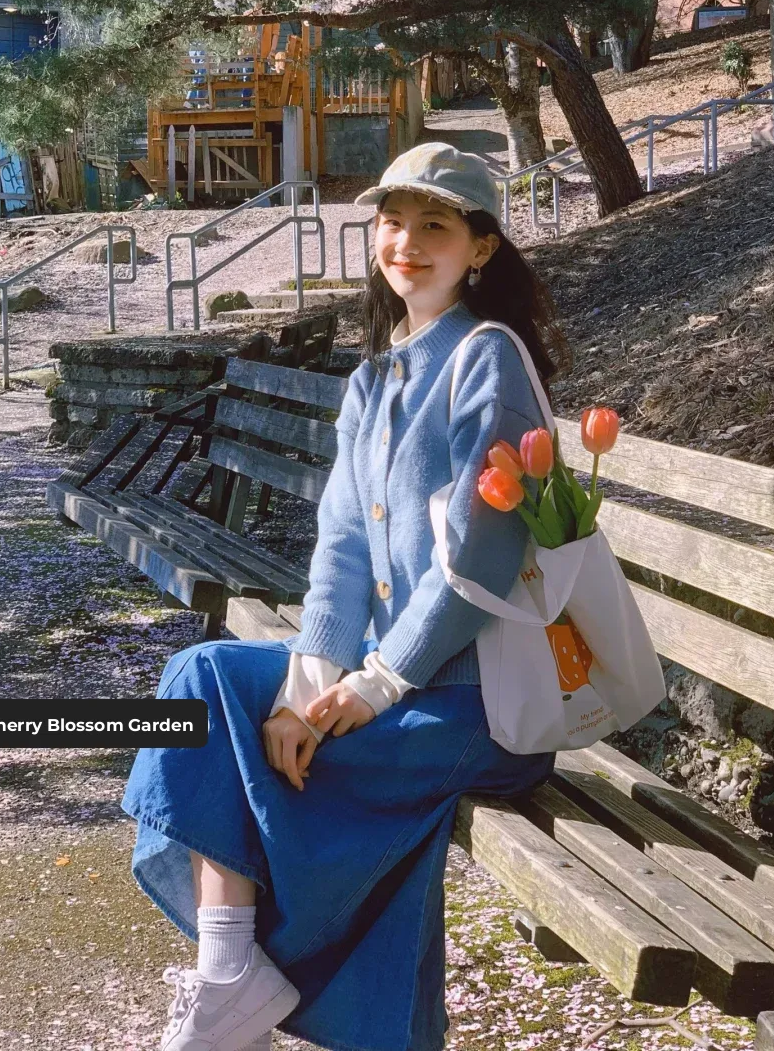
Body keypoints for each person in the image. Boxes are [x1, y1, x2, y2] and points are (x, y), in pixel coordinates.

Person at [122, 141, 573, 1051]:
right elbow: (340, 545)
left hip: (475, 705)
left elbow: (481, 563)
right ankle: (228, 975)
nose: (406, 242)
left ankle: (240, 984)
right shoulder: (373, 380)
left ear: (479, 247)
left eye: (434, 226)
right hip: (397, 689)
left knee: (250, 746)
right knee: (202, 677)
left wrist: (371, 688)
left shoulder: (489, 362)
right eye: (392, 222)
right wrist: (307, 683)